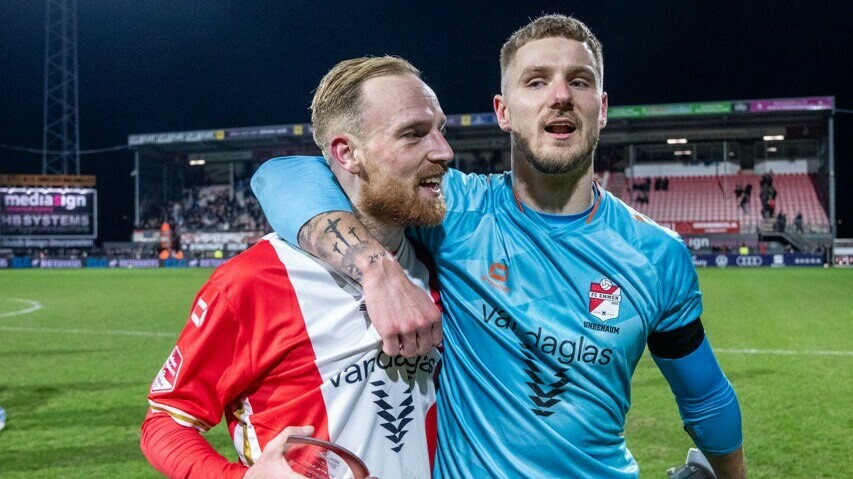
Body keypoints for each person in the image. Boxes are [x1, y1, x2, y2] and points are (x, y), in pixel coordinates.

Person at [252, 15, 744, 479]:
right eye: (536, 81)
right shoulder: (452, 211)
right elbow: (282, 175)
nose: (560, 96)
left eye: (579, 81)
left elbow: (706, 399)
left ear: (602, 107)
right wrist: (374, 265)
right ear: (503, 112)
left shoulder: (657, 254)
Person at [140, 56, 451, 479]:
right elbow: (167, 420)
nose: (444, 151)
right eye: (413, 134)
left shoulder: (444, 261)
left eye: (441, 130)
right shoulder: (252, 281)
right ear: (347, 153)